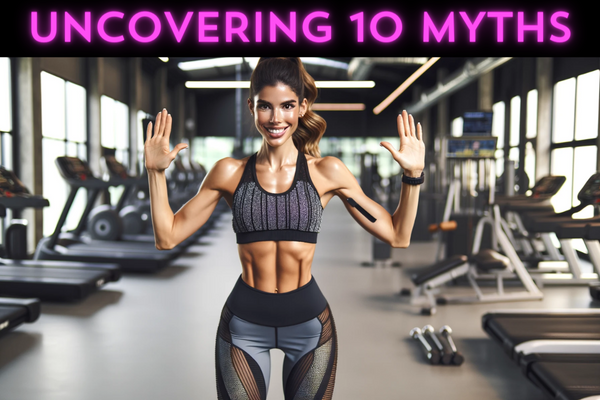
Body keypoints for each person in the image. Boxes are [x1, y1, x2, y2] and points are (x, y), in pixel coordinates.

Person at [144, 57, 425, 400]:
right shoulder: (229, 173)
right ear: (252, 107)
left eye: (287, 106)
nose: (276, 119)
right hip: (243, 326)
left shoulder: (327, 172)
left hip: (309, 326)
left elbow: (398, 235)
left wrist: (412, 176)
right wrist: (155, 173)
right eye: (266, 107)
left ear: (303, 106)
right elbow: (166, 236)